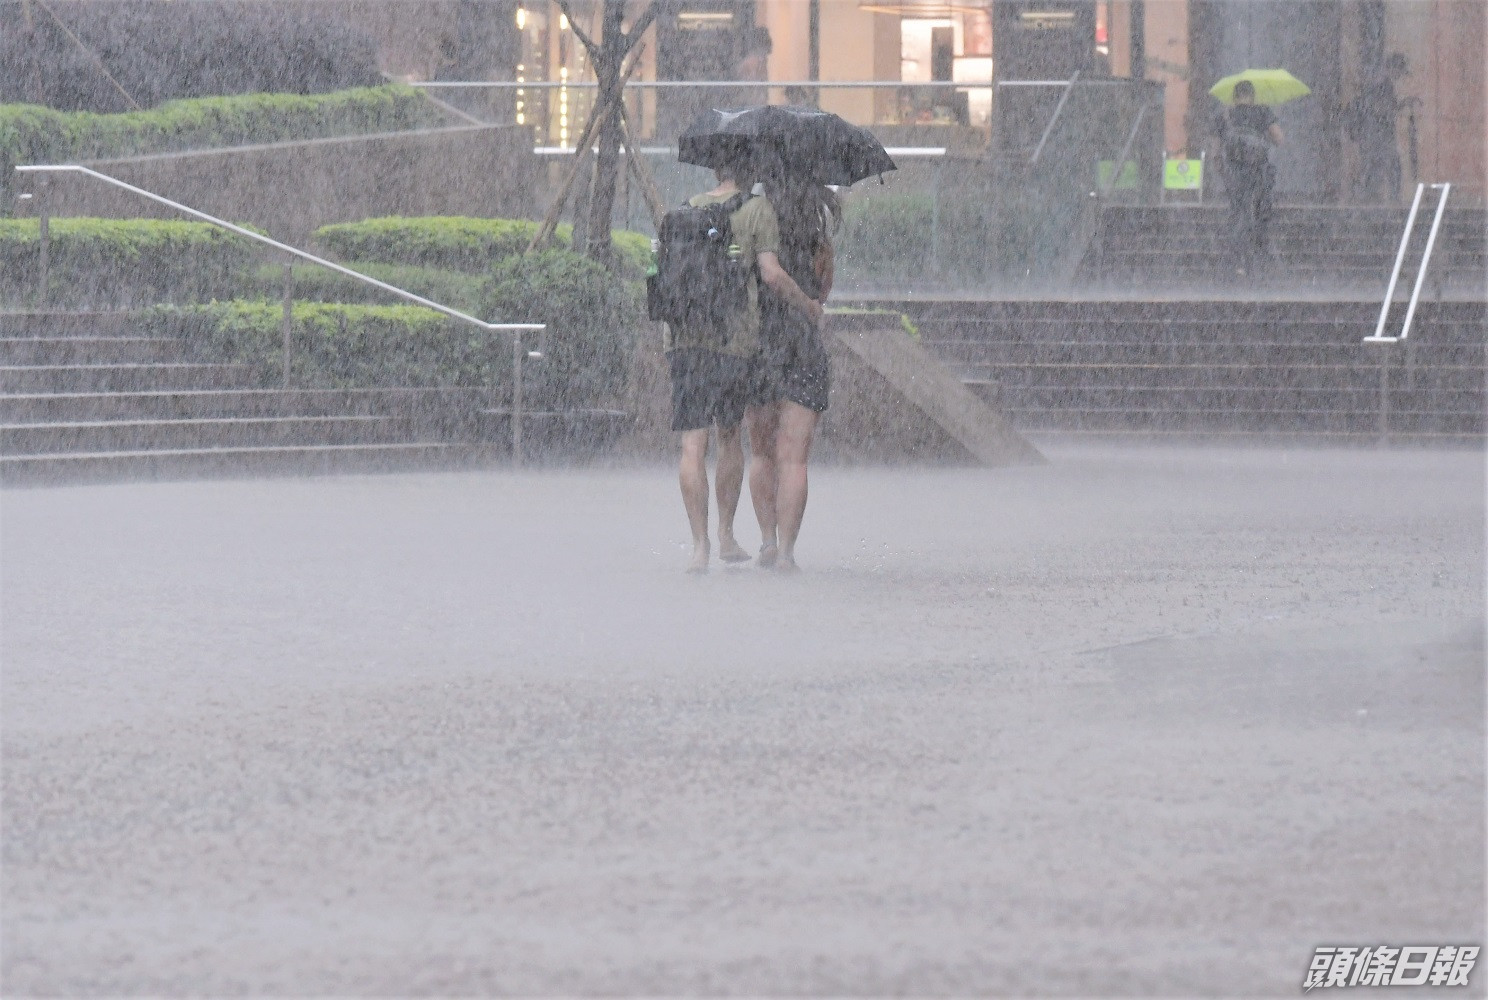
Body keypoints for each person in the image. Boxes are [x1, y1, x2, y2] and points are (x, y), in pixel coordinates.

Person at [667, 160, 823, 574]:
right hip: (733, 343)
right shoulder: (757, 210)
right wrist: (807, 304)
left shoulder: (687, 207)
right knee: (734, 439)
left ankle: (700, 548)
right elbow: (771, 274)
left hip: (685, 340)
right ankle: (734, 537)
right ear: (749, 170)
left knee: (692, 448)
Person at [742, 176, 840, 572]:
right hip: (803, 345)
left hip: (760, 342)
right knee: (794, 460)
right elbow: (822, 294)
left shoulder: (754, 227)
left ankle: (766, 541)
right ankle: (786, 553)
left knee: (762, 453)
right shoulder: (820, 242)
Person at [1213, 79, 1283, 275]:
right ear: (1252, 95)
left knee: (1238, 211)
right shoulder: (1262, 112)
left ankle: (1237, 260)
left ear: (1235, 96)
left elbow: (1216, 151)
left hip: (1235, 171)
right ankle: (1261, 254)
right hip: (1258, 170)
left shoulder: (1225, 115)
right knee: (1260, 211)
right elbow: (1279, 139)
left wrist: (1222, 169)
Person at [1349, 53, 1408, 203]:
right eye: (1399, 71)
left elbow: (1381, 107)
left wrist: (1401, 104)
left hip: (1373, 136)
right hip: (1377, 136)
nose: (1400, 76)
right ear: (1392, 68)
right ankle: (1385, 202)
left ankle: (1368, 199)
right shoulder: (1382, 84)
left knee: (1375, 170)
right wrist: (1397, 107)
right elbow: (1378, 109)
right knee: (1389, 169)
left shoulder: (1377, 81)